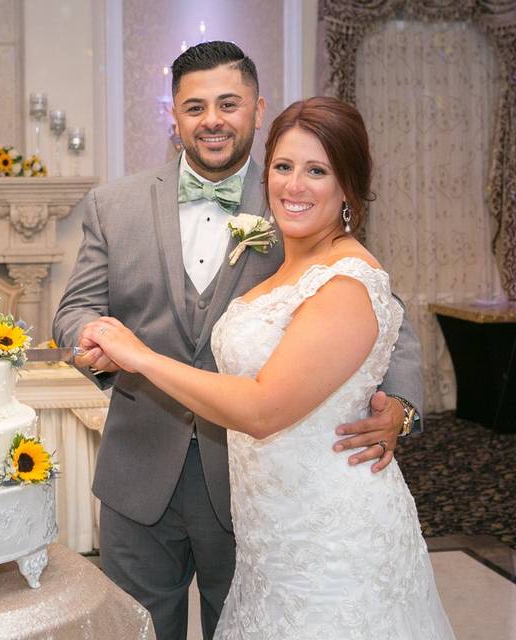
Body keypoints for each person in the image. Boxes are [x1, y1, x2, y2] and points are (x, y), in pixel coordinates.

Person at [52, 42, 424, 639]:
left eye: (229, 103)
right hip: (139, 468)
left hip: (255, 482)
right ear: (172, 115)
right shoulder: (112, 204)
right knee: (135, 629)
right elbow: (75, 310)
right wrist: (90, 338)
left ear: (257, 108)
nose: (213, 120)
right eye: (194, 106)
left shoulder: (295, 198)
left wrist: (401, 407)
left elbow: (382, 310)